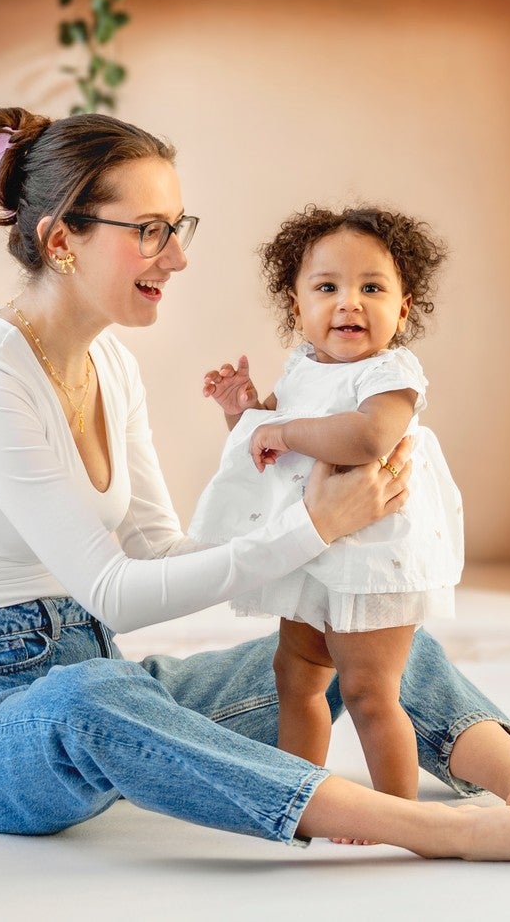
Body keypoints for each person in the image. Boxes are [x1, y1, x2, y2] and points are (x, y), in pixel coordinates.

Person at [0, 108, 510, 864]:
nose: (176, 257)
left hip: (103, 671)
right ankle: (437, 829)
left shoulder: (109, 362)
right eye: (150, 232)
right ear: (62, 240)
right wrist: (310, 528)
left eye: (177, 229)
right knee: (92, 695)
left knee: (358, 636)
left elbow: (165, 551)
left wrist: (308, 516)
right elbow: (116, 590)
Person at [189, 204, 464, 799]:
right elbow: (270, 458)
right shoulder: (301, 370)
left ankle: (399, 811)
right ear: (297, 306)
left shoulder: (390, 374)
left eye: (372, 287)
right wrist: (246, 414)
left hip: (371, 558)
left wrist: (282, 431)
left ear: (403, 307)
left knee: (369, 693)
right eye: (327, 287)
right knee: (295, 676)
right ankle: (301, 792)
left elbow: (366, 437)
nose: (349, 302)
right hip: (311, 550)